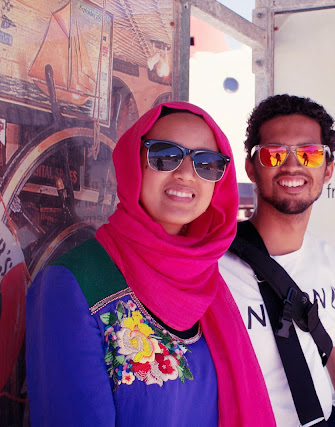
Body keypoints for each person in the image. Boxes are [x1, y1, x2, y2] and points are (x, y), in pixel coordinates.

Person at [26, 102, 275, 426]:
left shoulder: (209, 281)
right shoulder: (72, 284)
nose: (186, 173)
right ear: (134, 163)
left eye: (207, 163)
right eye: (164, 155)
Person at [220, 94, 335, 426]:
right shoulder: (215, 266)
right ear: (251, 168)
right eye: (274, 153)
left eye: (309, 153)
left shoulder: (331, 263)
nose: (292, 165)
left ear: (328, 170)